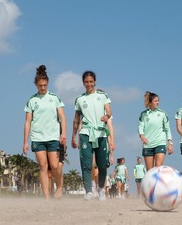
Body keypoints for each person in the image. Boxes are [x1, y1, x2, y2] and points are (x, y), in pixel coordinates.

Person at [22, 65, 66, 200]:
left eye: (45, 85)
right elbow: (28, 122)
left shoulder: (55, 98)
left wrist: (63, 133)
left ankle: (59, 186)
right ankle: (46, 196)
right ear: (36, 84)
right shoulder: (31, 101)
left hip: (53, 137)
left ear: (47, 84)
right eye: (40, 85)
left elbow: (62, 117)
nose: (43, 88)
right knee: (42, 166)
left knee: (54, 166)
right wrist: (25, 142)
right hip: (37, 137)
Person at [72, 71, 116, 201]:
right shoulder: (80, 99)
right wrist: (73, 136)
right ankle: (89, 192)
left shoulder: (102, 96)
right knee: (86, 164)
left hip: (101, 133)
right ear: (83, 83)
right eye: (86, 82)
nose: (89, 84)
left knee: (102, 165)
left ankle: (101, 189)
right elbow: (76, 119)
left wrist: (107, 116)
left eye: (91, 81)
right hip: (85, 133)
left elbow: (109, 111)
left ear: (94, 82)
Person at [138, 91, 172, 170]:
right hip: (148, 144)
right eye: (155, 101)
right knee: (150, 171)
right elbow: (140, 126)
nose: (158, 102)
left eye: (158, 101)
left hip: (160, 143)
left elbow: (167, 129)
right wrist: (142, 135)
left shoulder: (163, 114)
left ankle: (158, 182)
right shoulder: (143, 114)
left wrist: (170, 142)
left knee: (158, 168)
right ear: (150, 102)